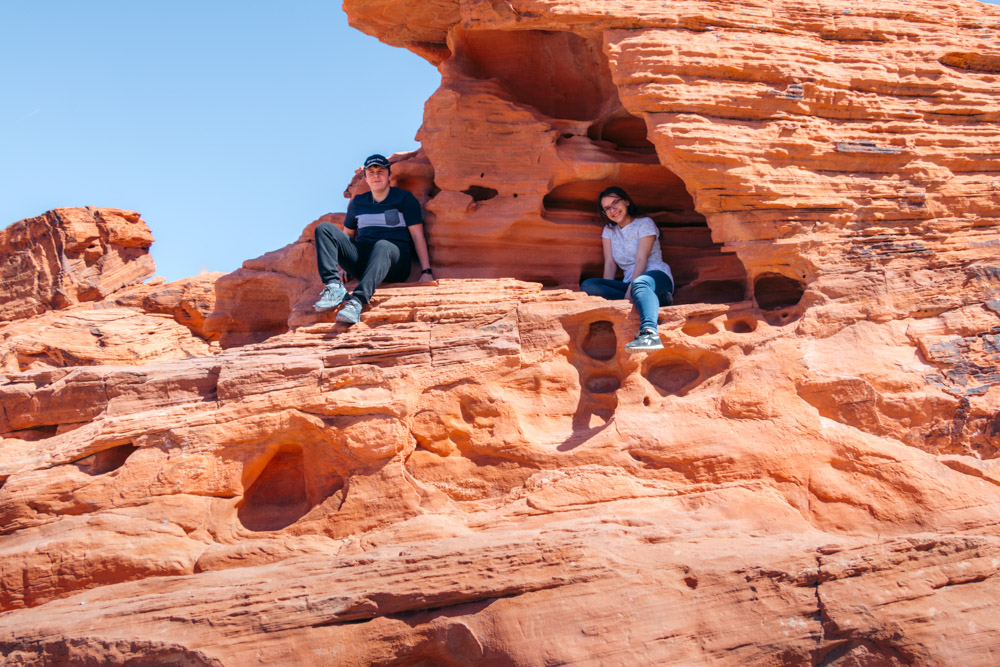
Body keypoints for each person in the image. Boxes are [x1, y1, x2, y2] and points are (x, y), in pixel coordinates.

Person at [313, 154, 434, 324]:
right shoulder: (358, 202)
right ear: (366, 178)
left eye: (380, 171)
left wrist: (426, 271)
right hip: (365, 260)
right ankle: (334, 287)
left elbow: (417, 235)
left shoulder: (404, 199)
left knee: (383, 245)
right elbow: (347, 235)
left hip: (396, 263)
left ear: (389, 175)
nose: (376, 176)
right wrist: (342, 267)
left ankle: (357, 302)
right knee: (324, 229)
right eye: (371, 172)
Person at [581, 186, 674, 352]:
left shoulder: (644, 223)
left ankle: (649, 334)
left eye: (615, 202)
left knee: (640, 284)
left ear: (627, 201)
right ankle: (655, 300)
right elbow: (609, 263)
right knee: (589, 285)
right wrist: (611, 302)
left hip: (655, 276)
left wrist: (630, 290)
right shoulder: (609, 231)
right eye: (607, 208)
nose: (613, 210)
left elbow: (641, 259)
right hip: (629, 282)